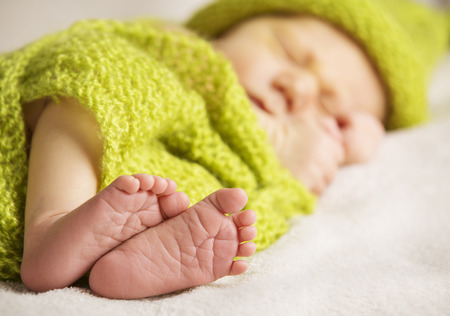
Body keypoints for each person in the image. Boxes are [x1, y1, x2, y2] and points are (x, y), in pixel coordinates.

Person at [0, 0, 448, 299]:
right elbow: (94, 62)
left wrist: (338, 147)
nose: (298, 87)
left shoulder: (269, 146)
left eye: (329, 107)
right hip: (48, 132)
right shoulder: (175, 46)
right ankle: (50, 226)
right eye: (291, 52)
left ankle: (132, 261)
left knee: (230, 205)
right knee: (99, 75)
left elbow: (292, 182)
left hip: (120, 195)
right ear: (227, 27)